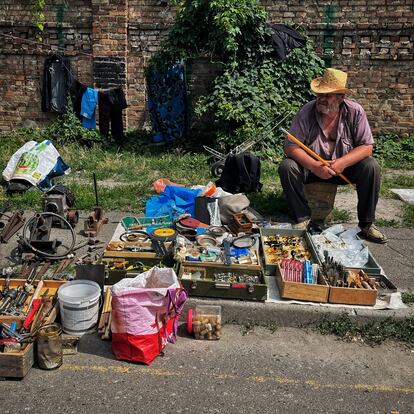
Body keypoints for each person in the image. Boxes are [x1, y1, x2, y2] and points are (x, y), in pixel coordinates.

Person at [278, 68, 387, 243]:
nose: (320, 99)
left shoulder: (355, 111)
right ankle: (303, 219)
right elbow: (291, 146)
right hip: (313, 168)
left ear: (340, 97)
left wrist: (342, 162)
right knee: (287, 167)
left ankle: (366, 224)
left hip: (343, 169)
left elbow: (367, 147)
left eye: (326, 95)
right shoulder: (307, 111)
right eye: (318, 94)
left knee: (371, 166)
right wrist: (314, 166)